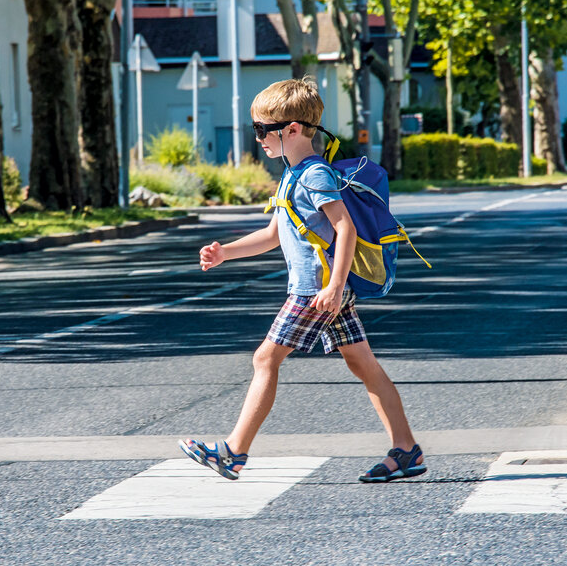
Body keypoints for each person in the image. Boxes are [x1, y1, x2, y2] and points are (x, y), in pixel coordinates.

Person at [178, 77, 426, 483]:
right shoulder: (292, 175)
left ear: (292, 129)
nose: (257, 138)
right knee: (362, 363)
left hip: (316, 291)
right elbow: (275, 234)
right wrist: (226, 253)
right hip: (327, 290)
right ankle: (406, 450)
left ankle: (234, 452)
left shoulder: (314, 176)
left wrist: (332, 287)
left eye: (262, 130)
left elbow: (345, 229)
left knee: (265, 358)